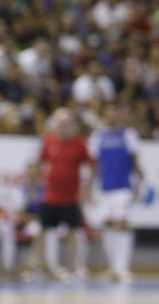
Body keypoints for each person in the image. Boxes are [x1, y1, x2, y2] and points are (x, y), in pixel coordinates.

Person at [88, 105, 143, 284]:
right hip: (104, 188)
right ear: (104, 116)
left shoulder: (128, 135)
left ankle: (122, 267)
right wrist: (88, 187)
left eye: (115, 113)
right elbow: (95, 164)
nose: (112, 117)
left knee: (121, 223)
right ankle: (112, 267)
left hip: (123, 187)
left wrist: (138, 183)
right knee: (107, 225)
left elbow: (135, 161)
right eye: (109, 114)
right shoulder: (98, 137)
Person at [39, 109, 93, 282]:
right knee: (47, 231)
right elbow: (41, 164)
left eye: (66, 123)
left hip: (71, 197)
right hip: (51, 196)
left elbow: (90, 167)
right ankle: (49, 268)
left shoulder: (79, 143)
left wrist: (86, 190)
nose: (63, 127)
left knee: (73, 232)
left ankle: (74, 267)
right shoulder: (48, 141)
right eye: (60, 123)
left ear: (72, 125)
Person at [16, 161, 45, 278]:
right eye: (30, 172)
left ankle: (47, 266)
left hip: (43, 220)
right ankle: (37, 266)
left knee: (49, 230)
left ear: (39, 173)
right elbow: (19, 212)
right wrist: (32, 219)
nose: (32, 174)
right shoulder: (21, 189)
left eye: (35, 172)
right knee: (37, 229)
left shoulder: (45, 188)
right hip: (25, 222)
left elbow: (49, 208)